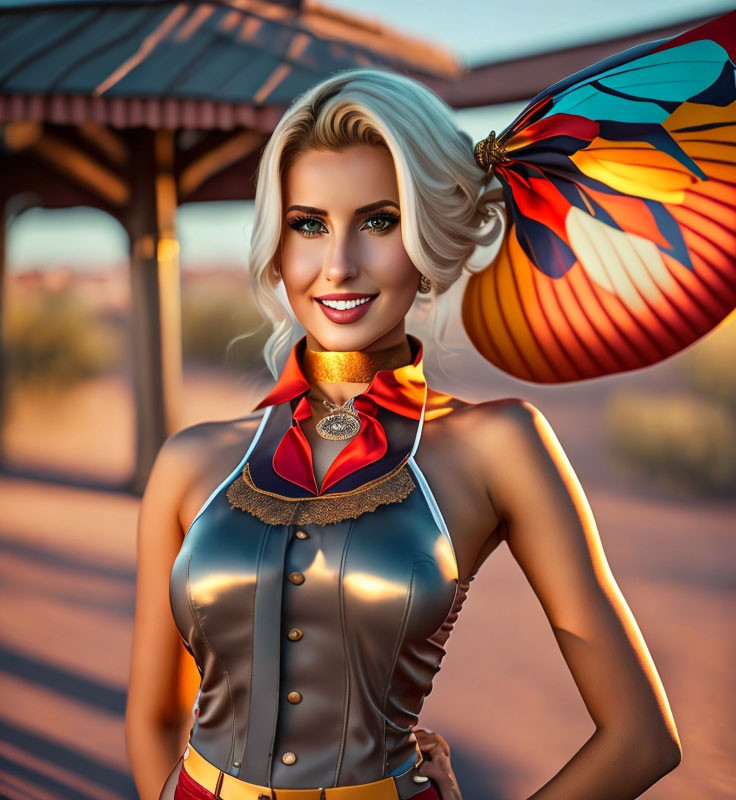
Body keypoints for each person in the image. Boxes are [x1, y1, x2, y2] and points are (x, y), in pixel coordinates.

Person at [125, 11, 736, 800]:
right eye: (308, 225)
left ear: (432, 233)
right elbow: (151, 721)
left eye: (379, 221)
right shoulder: (189, 461)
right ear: (277, 246)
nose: (338, 265)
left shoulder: (500, 445)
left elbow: (642, 737)